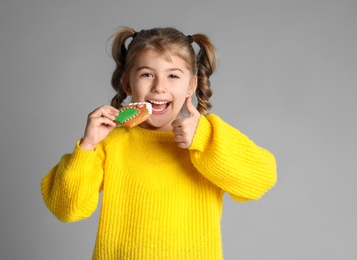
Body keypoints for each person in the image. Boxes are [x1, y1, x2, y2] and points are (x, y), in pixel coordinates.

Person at [41, 26, 277, 259]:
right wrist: (88, 146)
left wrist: (206, 138)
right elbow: (66, 210)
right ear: (127, 84)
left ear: (191, 86)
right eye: (147, 74)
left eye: (173, 75)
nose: (159, 87)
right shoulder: (109, 143)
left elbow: (260, 181)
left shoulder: (209, 142)